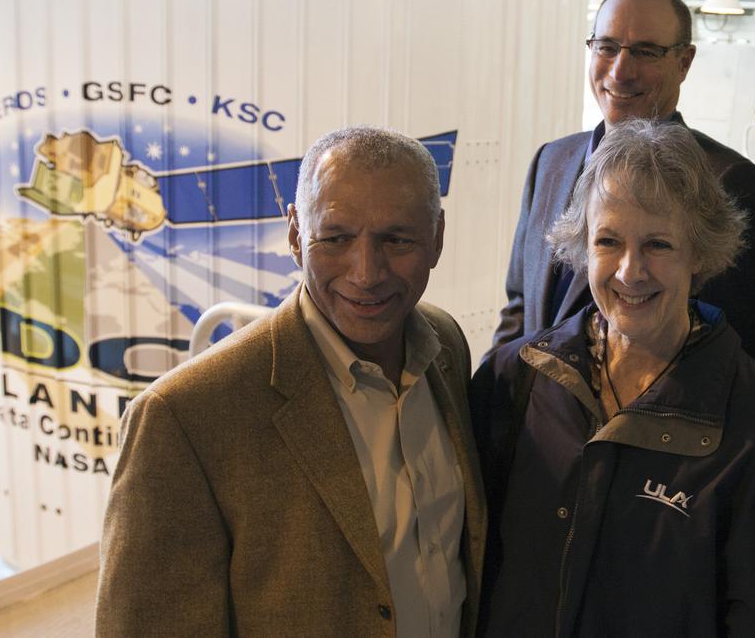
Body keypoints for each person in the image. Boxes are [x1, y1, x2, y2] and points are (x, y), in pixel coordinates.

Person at [96, 127, 485, 637]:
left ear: (437, 237)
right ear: (296, 235)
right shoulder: (183, 417)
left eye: (396, 239)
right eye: (336, 238)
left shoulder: (445, 343)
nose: (366, 273)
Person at [472, 119, 755, 637]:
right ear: (582, 246)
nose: (630, 271)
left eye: (658, 244)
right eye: (608, 241)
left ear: (700, 252)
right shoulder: (515, 380)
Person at [494, 0, 755, 385]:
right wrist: (496, 401)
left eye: (645, 51)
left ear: (684, 62)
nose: (621, 70)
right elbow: (519, 311)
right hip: (539, 420)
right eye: (607, 47)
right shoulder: (552, 162)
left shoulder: (730, 184)